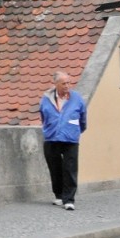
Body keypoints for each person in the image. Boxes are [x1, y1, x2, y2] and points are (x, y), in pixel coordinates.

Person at [38, 71, 87, 211]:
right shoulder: (46, 98)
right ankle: (59, 195)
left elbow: (83, 118)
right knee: (55, 167)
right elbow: (43, 115)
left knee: (70, 168)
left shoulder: (76, 98)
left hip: (70, 137)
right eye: (63, 83)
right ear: (56, 84)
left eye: (68, 83)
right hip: (52, 137)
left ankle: (69, 199)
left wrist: (76, 130)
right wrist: (49, 128)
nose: (67, 86)